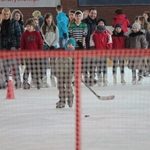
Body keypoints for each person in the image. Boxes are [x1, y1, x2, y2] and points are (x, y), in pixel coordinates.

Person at [1, 7, 22, 89]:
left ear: (9, 14)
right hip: (4, 46)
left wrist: (18, 46)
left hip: (13, 46)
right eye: (4, 14)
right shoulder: (1, 23)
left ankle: (18, 81)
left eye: (7, 14)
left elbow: (18, 34)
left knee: (15, 64)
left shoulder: (14, 22)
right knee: (5, 65)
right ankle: (6, 81)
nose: (6, 16)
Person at [20, 18, 43, 89]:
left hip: (36, 55)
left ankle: (36, 81)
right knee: (28, 68)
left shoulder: (37, 33)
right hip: (28, 55)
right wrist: (22, 54)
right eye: (27, 26)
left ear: (33, 26)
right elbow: (22, 44)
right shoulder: (24, 34)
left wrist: (40, 52)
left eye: (29, 26)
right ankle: (25, 81)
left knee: (35, 68)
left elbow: (40, 43)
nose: (28, 27)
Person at [90, 20, 112, 86]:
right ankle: (99, 78)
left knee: (104, 65)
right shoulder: (94, 32)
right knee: (98, 65)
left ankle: (105, 78)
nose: (101, 24)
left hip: (104, 52)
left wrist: (109, 49)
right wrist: (93, 48)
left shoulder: (107, 32)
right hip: (97, 52)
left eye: (102, 23)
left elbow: (110, 41)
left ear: (104, 24)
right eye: (99, 23)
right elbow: (91, 41)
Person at [55, 38, 75, 108]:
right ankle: (62, 101)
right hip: (60, 74)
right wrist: (55, 72)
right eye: (68, 44)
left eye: (71, 45)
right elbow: (57, 63)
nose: (69, 46)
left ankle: (70, 98)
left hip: (69, 74)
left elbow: (75, 64)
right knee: (60, 87)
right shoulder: (62, 51)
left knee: (68, 87)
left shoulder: (74, 54)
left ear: (73, 46)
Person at [41, 13, 59, 87]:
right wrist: (48, 44)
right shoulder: (43, 27)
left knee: (53, 63)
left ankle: (52, 77)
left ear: (52, 19)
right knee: (45, 63)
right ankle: (44, 79)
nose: (48, 19)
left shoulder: (55, 27)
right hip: (46, 47)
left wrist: (52, 45)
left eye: (50, 18)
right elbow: (43, 37)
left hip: (53, 47)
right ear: (45, 19)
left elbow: (57, 37)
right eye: (47, 18)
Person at [82, 8, 98, 86]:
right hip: (85, 45)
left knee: (92, 62)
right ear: (89, 13)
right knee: (85, 62)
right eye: (92, 13)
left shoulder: (96, 23)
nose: (93, 15)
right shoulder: (83, 22)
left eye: (94, 13)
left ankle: (91, 77)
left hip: (93, 46)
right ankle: (86, 77)